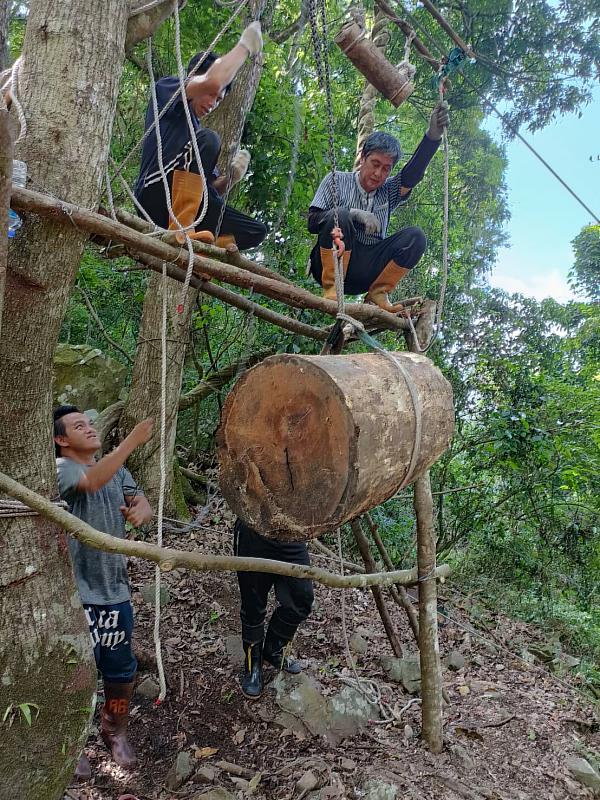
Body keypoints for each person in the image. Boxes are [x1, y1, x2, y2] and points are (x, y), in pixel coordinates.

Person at [53, 405, 154, 776]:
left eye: (90, 423)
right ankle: (72, 742)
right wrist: (131, 441)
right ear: (61, 440)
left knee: (120, 671)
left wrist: (142, 510)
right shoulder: (63, 469)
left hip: (115, 591)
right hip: (78, 593)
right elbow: (92, 481)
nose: (90, 429)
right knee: (76, 672)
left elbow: (138, 499)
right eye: (79, 426)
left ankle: (115, 730)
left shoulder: (118, 470)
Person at [134, 22, 267, 251]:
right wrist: (244, 46)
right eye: (211, 96)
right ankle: (183, 229)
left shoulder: (197, 139)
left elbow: (212, 186)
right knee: (209, 139)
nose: (213, 104)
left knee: (255, 231)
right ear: (195, 78)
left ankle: (203, 250)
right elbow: (213, 81)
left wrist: (232, 178)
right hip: (155, 192)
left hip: (186, 204)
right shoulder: (167, 89)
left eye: (218, 101)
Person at [307, 101, 450, 312]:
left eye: (386, 169)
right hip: (330, 263)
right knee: (340, 216)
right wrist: (354, 213)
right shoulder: (336, 180)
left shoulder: (389, 190)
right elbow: (312, 222)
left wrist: (433, 136)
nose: (378, 174)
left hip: (366, 270)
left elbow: (411, 175)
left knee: (415, 237)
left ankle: (378, 293)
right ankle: (332, 289)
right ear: (363, 157)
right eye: (375, 164)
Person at [233, 518, 314, 699]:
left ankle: (273, 649)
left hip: (292, 533)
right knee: (253, 604)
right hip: (254, 529)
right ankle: (252, 665)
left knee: (302, 599)